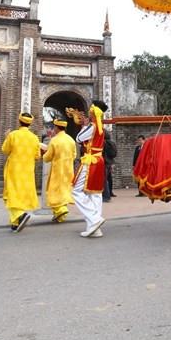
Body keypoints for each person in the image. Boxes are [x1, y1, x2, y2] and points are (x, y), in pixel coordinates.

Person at [0, 112, 41, 232]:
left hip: (14, 169)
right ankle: (15, 223)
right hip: (28, 170)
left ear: (19, 121)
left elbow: (5, 150)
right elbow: (38, 156)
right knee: (22, 193)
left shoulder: (13, 135)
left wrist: (7, 137)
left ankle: (19, 215)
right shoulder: (34, 138)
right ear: (30, 123)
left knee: (12, 193)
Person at [72, 100, 108, 238]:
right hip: (99, 160)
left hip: (90, 160)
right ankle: (94, 228)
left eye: (89, 110)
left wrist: (83, 127)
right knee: (95, 193)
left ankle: (94, 219)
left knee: (76, 191)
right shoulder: (100, 127)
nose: (87, 112)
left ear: (93, 112)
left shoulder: (92, 126)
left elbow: (79, 139)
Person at [43, 119, 76, 223]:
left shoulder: (54, 140)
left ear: (56, 128)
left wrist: (44, 154)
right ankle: (60, 217)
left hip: (57, 170)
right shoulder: (71, 140)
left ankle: (61, 210)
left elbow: (48, 157)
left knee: (54, 191)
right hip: (68, 170)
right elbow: (74, 155)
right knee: (65, 190)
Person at [102, 129, 117, 203]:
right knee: (108, 179)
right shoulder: (112, 143)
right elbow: (114, 154)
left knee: (104, 180)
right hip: (109, 162)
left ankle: (106, 196)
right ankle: (109, 194)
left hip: (104, 162)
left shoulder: (104, 142)